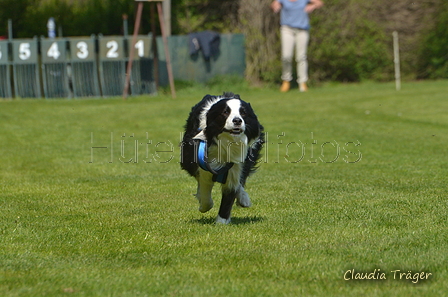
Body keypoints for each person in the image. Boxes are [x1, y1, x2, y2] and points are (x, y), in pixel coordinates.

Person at [271, 0, 324, 92]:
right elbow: (274, 4)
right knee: (286, 56)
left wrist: (313, 6)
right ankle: (286, 80)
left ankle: (302, 83)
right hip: (287, 29)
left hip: (302, 30)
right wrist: (276, 6)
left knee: (301, 57)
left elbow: (320, 3)